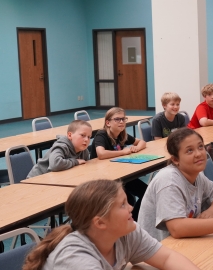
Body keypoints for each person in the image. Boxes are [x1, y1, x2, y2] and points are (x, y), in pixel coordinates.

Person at [22, 179, 198, 270]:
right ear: (100, 222)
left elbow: (167, 258)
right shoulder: (75, 257)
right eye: (122, 205)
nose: (131, 208)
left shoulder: (126, 232)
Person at [138, 127, 213, 241]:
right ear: (175, 160)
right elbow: (177, 228)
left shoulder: (197, 175)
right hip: (158, 252)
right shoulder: (169, 181)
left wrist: (212, 211)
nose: (198, 154)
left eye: (200, 147)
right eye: (189, 150)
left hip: (182, 244)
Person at [90, 107, 147, 221]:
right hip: (104, 178)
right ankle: (130, 221)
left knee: (146, 192)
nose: (121, 122)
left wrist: (136, 148)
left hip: (120, 174)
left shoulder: (121, 134)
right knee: (128, 199)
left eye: (123, 119)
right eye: (117, 119)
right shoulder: (102, 135)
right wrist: (123, 152)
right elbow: (101, 153)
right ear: (108, 122)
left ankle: (133, 220)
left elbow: (142, 142)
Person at [27, 120, 91, 178]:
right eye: (82, 135)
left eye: (89, 137)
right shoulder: (62, 146)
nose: (86, 140)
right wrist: (75, 161)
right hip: (37, 179)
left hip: (55, 178)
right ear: (70, 135)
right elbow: (55, 165)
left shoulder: (84, 151)